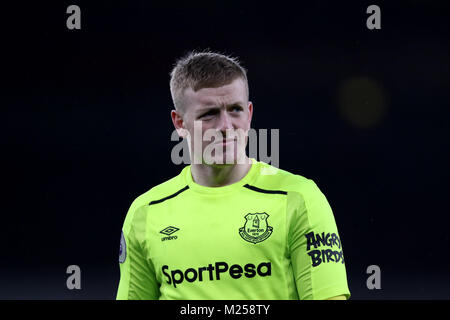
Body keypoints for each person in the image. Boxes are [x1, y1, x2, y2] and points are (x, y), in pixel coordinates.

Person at [116, 51, 350, 300]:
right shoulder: (146, 212)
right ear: (180, 124)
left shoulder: (299, 199)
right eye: (209, 114)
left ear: (249, 114)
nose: (226, 126)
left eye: (235, 110)